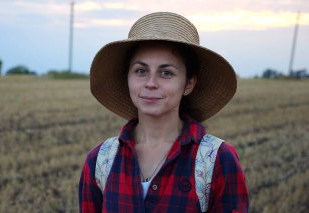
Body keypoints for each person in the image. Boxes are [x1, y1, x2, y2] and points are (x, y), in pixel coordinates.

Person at [79, 12, 249, 212]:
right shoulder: (100, 160)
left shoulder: (218, 160)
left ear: (188, 83)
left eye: (166, 73)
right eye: (141, 71)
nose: (151, 83)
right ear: (127, 78)